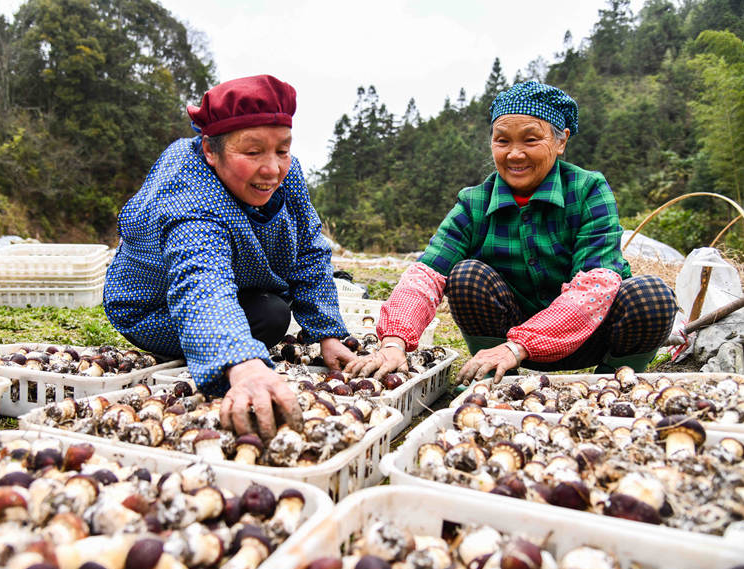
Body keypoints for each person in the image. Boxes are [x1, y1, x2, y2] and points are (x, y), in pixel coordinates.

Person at [345, 81, 677, 385]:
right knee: (466, 276)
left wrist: (522, 344)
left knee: (651, 295)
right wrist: (394, 342)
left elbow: (596, 285)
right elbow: (426, 274)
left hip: (587, 335)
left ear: (560, 141)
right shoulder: (475, 201)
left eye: (531, 140)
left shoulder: (589, 190)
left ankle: (610, 384)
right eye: (502, 140)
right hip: (502, 347)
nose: (514, 154)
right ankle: (495, 379)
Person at [104, 74, 355, 439]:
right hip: (154, 307)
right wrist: (241, 362)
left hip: (236, 285)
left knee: (271, 311)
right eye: (252, 152)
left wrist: (328, 333)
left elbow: (309, 248)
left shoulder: (288, 174)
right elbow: (199, 278)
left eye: (282, 150)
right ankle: (215, 347)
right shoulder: (187, 184)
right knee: (271, 317)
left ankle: (225, 341)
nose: (271, 169)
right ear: (210, 149)